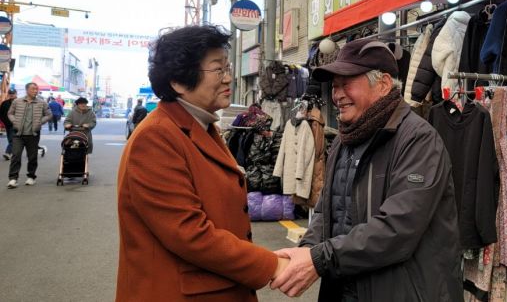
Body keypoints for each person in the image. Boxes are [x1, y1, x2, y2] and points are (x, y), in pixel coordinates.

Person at [271, 38, 463, 301]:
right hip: (344, 289)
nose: (337, 95)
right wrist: (305, 251)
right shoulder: (343, 140)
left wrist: (319, 259)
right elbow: (327, 212)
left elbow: (397, 229)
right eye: (335, 86)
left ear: (383, 84)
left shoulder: (418, 140)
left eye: (346, 84)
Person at [116, 25, 287, 302]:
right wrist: (271, 265)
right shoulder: (157, 137)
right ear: (179, 81)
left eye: (227, 67)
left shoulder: (199, 125)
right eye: (218, 70)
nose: (229, 77)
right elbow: (188, 233)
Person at [7, 82, 52, 188]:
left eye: (36, 89)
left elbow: (49, 115)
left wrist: (40, 122)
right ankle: (13, 179)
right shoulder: (17, 101)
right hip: (18, 133)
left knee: (32, 157)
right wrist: (15, 121)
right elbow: (10, 113)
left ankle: (31, 177)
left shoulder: (42, 103)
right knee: (16, 156)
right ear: (27, 90)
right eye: (33, 89)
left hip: (33, 134)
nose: (35, 91)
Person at [0, 89, 17, 160]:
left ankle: (8, 153)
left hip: (16, 124)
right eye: (10, 93)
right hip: (7, 124)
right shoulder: (4, 103)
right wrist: (4, 122)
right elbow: (1, 114)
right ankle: (13, 152)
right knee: (10, 139)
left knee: (12, 139)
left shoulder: (20, 102)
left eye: (13, 93)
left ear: (16, 93)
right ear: (8, 94)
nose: (11, 94)